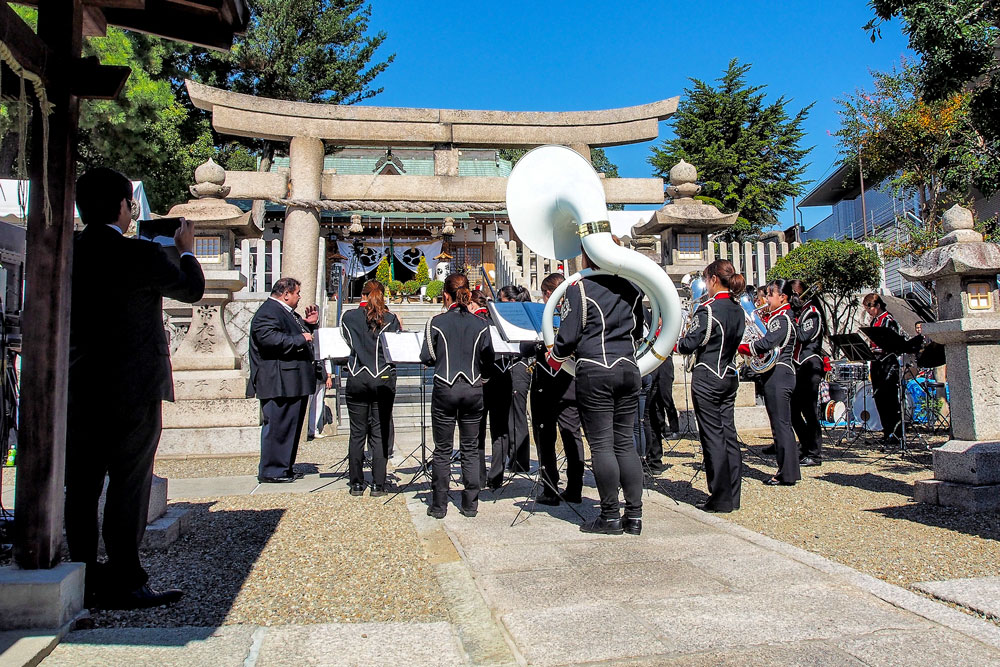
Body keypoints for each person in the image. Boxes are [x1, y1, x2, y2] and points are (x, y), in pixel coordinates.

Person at [66, 167, 205, 609]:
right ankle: (125, 576)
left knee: (81, 485)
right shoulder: (139, 256)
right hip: (134, 385)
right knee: (129, 482)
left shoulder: (66, 251)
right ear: (126, 206)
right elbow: (193, 290)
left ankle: (83, 574)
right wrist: (184, 250)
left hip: (79, 382)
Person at [549, 249, 645, 535]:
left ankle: (610, 515)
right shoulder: (634, 287)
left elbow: (567, 337)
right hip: (629, 366)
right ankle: (635, 516)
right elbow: (639, 330)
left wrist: (553, 356)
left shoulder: (580, 289)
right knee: (625, 443)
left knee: (602, 445)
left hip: (595, 368)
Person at [420, 274, 495, 518]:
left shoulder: (436, 322)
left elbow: (427, 357)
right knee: (470, 448)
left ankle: (439, 505)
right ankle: (470, 504)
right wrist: (481, 380)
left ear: (445, 295)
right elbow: (488, 360)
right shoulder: (481, 323)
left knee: (442, 449)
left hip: (445, 386)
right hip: (473, 388)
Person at [677, 260, 746, 512]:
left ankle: (719, 497)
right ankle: (733, 495)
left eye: (706, 280)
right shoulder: (738, 308)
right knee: (729, 433)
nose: (705, 285)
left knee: (712, 436)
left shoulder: (708, 309)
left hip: (708, 374)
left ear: (714, 279)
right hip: (729, 372)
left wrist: (679, 339)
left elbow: (689, 343)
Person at [249, 277, 321, 483]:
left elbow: (296, 333)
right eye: (297, 293)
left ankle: (284, 466)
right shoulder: (268, 312)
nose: (299, 297)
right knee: (278, 426)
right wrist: (301, 338)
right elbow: (268, 339)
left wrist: (309, 325)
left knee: (290, 426)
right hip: (278, 380)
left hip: (292, 379)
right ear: (286, 293)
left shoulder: (286, 313)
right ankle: (272, 470)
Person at [524, 273, 585, 506]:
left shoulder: (547, 315)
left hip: (547, 384)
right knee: (572, 435)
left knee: (545, 437)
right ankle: (574, 488)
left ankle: (550, 488)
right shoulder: (579, 311)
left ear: (549, 294)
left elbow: (525, 349)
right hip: (570, 384)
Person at [341, 280, 401, 496]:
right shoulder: (391, 319)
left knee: (357, 433)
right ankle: (378, 484)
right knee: (379, 433)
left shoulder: (348, 317)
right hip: (382, 377)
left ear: (362, 294)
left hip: (357, 376)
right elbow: (393, 349)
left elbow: (348, 342)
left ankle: (356, 483)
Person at [742, 279, 801, 487]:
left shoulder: (782, 318)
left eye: (769, 295)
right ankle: (790, 471)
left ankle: (786, 473)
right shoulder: (782, 317)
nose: (765, 299)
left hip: (779, 374)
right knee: (782, 425)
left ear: (782, 297)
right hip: (779, 374)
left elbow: (768, 343)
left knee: (781, 426)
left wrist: (744, 347)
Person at [789, 280, 825, 467]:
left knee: (810, 411)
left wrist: (793, 316)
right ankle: (805, 445)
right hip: (798, 365)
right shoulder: (801, 312)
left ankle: (815, 453)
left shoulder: (812, 313)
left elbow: (803, 336)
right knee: (793, 410)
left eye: (795, 293)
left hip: (810, 364)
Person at [498, 284, 532, 474]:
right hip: (511, 365)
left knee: (518, 414)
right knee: (510, 414)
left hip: (520, 366)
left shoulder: (521, 317)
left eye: (501, 299)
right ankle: (513, 456)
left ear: (511, 301)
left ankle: (521, 459)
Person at [863, 293, 903, 444]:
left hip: (888, 364)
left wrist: (879, 349)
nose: (869, 312)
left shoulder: (888, 320)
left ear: (877, 306)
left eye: (870, 308)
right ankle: (887, 432)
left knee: (890, 399)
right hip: (877, 364)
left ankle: (896, 433)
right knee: (879, 398)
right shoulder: (875, 321)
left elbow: (892, 344)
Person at [645, 354, 678, 472]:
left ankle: (654, 460)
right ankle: (652, 458)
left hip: (660, 362)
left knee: (656, 410)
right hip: (650, 362)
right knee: (651, 415)